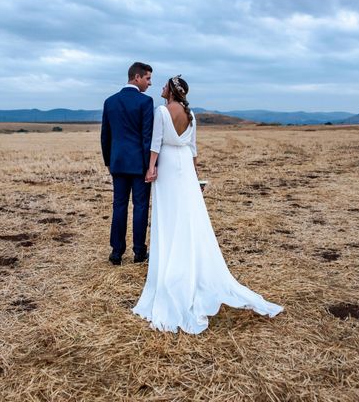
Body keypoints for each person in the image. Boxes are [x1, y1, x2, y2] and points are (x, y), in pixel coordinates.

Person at [132, 75, 283, 334]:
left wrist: (150, 168)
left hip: (167, 166)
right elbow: (193, 149)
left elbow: (156, 144)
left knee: (169, 217)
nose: (161, 87)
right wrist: (194, 175)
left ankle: (172, 266)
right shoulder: (192, 116)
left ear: (171, 91)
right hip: (186, 171)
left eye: (165, 85)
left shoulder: (161, 111)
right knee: (190, 217)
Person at [100, 62, 154, 265]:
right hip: (139, 164)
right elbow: (146, 137)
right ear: (137, 77)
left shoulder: (110, 101)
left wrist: (109, 161)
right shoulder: (146, 102)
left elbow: (105, 135)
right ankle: (139, 252)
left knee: (119, 206)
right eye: (147, 78)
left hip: (118, 162)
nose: (149, 83)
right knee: (140, 206)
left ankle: (116, 252)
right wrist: (150, 165)